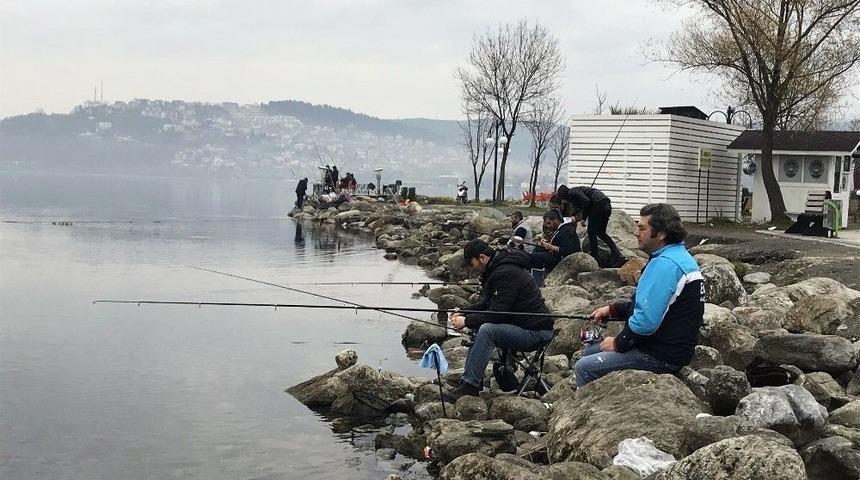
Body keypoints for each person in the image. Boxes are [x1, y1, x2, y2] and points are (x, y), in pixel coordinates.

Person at [574, 203, 704, 387]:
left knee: (584, 367)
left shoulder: (665, 264)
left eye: (642, 228)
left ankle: (592, 405)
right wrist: (612, 309)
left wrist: (619, 343)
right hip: (671, 349)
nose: (636, 232)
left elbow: (646, 322)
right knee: (591, 351)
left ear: (661, 234)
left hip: (660, 355)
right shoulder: (678, 256)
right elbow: (652, 306)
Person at [446, 239, 554, 399]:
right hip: (524, 326)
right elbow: (488, 304)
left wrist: (466, 321)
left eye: (471, 263)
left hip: (536, 332)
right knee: (478, 326)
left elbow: (498, 314)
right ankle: (469, 381)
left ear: (482, 258)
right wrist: (462, 312)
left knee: (487, 330)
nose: (471, 268)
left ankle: (470, 386)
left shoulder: (505, 272)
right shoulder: (496, 269)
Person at [557, 184, 623, 267]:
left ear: (563, 195)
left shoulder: (571, 192)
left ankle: (595, 256)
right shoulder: (576, 191)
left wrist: (584, 218)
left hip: (598, 205)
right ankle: (616, 253)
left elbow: (586, 201)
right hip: (606, 204)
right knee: (601, 233)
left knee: (591, 232)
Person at [529, 209, 580, 285]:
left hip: (564, 259)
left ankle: (537, 282)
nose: (548, 226)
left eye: (549, 223)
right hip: (557, 254)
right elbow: (558, 243)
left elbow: (569, 250)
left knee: (536, 257)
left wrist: (551, 247)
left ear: (556, 220)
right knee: (537, 249)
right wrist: (547, 244)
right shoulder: (561, 229)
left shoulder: (567, 230)